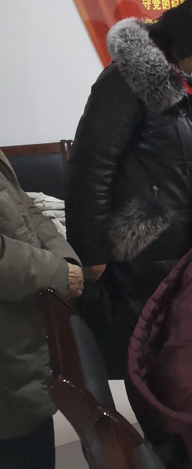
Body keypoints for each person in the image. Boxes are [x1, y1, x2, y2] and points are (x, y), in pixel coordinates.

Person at [66, 0, 192, 379]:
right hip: (139, 243)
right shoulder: (129, 78)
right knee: (138, 352)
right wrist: (90, 249)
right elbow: (91, 165)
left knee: (176, 354)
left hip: (188, 241)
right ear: (185, 46)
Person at [0, 149, 83, 469]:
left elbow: (25, 206)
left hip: (23, 339)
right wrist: (57, 273)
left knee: (32, 433)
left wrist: (65, 260)